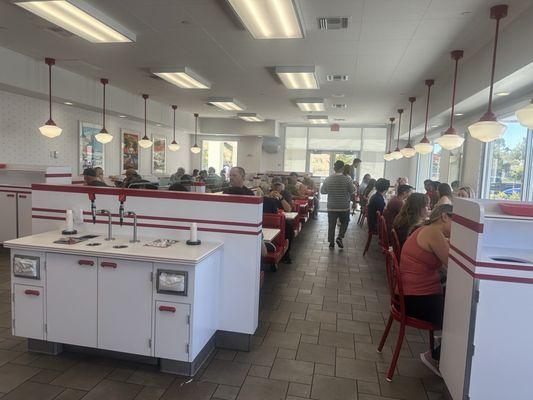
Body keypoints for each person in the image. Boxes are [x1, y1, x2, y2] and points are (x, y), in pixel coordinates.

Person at [399, 204, 452, 376]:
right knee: (461, 319)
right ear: (445, 216)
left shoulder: (427, 230)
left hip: (407, 294)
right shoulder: (433, 233)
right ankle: (436, 356)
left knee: (455, 303)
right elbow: (451, 265)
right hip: (415, 298)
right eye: (456, 222)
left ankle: (446, 340)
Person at [320, 160, 356, 249]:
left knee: (331, 224)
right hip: (344, 206)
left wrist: (331, 190)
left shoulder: (328, 179)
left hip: (331, 206)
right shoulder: (347, 179)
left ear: (334, 168)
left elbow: (323, 191)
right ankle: (340, 237)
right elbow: (352, 192)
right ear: (343, 168)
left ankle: (331, 242)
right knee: (345, 222)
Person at [263, 182, 295, 263]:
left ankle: (286, 253)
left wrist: (281, 198)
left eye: (279, 189)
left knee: (289, 229)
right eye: (275, 188)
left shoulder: (285, 195)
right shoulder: (267, 199)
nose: (276, 191)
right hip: (269, 221)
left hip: (279, 220)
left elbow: (288, 209)